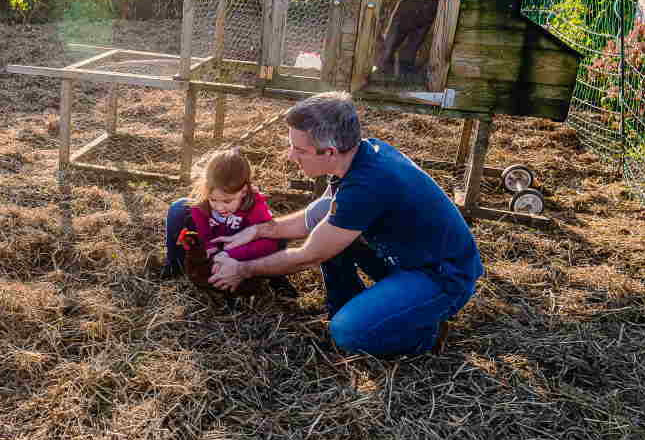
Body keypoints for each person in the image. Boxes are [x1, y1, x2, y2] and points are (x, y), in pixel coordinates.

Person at [209, 92, 483, 356]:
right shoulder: (358, 155)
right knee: (331, 234)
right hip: (408, 255)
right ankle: (353, 306)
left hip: (442, 276)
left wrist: (243, 270)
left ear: (329, 152)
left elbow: (309, 256)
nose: (290, 156)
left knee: (348, 333)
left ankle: (424, 332)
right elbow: (314, 216)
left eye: (299, 149)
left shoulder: (367, 185)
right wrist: (257, 230)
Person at [162, 147, 296, 296]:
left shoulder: (255, 206)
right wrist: (210, 246)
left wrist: (229, 254)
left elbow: (267, 242)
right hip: (216, 239)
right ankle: (175, 264)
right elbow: (198, 214)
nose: (219, 207)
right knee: (178, 208)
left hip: (242, 247)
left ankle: (276, 278)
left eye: (227, 201)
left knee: (277, 236)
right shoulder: (206, 197)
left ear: (244, 191)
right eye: (213, 199)